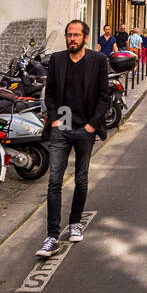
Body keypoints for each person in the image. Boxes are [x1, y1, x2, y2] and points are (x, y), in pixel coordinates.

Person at [36, 19, 110, 257]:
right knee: (54, 182)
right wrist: (55, 120)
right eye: (69, 35)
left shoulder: (98, 61)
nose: (72, 39)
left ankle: (75, 222)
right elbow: (50, 94)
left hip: (84, 128)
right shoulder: (57, 60)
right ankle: (51, 236)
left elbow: (103, 97)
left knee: (81, 178)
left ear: (85, 38)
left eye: (76, 35)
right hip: (62, 126)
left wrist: (91, 126)